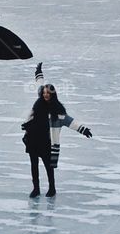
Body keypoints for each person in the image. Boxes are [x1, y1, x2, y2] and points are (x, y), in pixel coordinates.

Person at [21, 62, 92, 198]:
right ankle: (36, 188)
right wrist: (38, 72)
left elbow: (71, 122)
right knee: (33, 164)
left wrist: (84, 130)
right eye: (44, 93)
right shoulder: (38, 103)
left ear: (53, 95)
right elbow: (39, 83)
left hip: (47, 142)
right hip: (33, 138)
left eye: (48, 93)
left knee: (49, 167)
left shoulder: (58, 112)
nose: (45, 95)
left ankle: (52, 188)